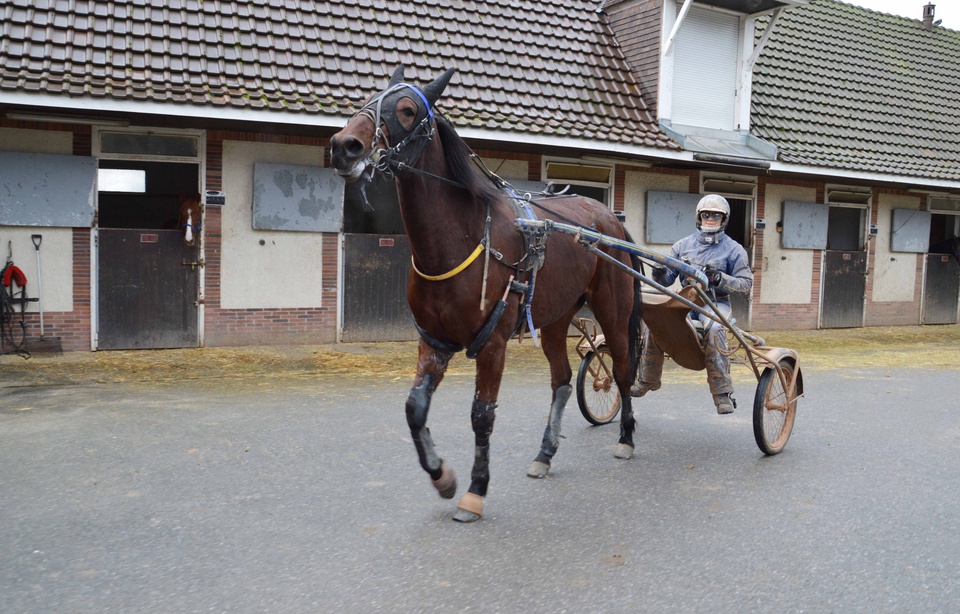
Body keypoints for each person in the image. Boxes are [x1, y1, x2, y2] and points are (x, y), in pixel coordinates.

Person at [631, 194, 753, 414]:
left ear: (723, 220)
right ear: (699, 217)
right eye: (706, 215)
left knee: (716, 329)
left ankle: (722, 393)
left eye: (716, 216)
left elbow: (745, 285)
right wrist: (659, 273)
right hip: (684, 300)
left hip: (714, 304)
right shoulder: (682, 246)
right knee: (656, 322)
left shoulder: (734, 250)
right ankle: (648, 380)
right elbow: (667, 279)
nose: (710, 219)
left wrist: (720, 279)